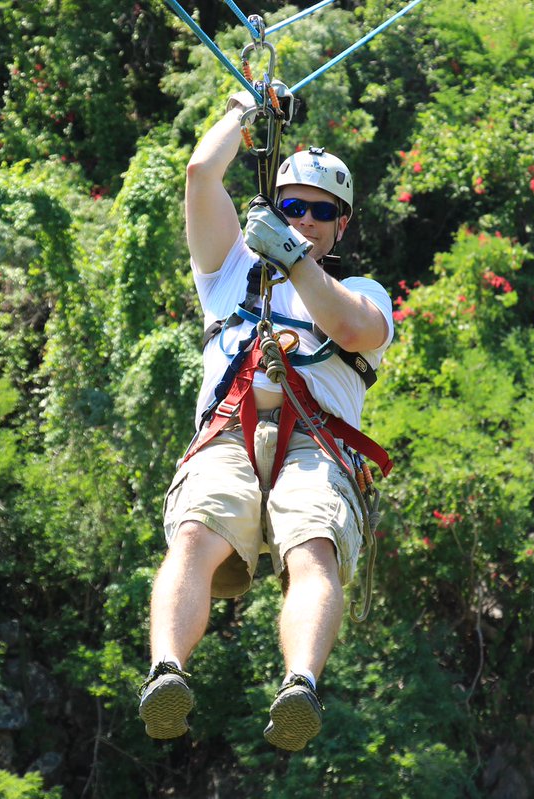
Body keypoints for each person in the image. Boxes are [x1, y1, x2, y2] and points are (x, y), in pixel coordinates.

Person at [138, 88, 394, 752]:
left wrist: (293, 258)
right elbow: (200, 176)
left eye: (320, 212)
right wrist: (241, 110)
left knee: (314, 548)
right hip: (227, 430)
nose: (305, 219)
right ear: (273, 207)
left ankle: (300, 684)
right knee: (194, 533)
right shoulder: (227, 273)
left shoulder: (362, 292)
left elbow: (349, 326)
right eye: (292, 207)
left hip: (317, 445)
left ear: (341, 225)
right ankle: (168, 669)